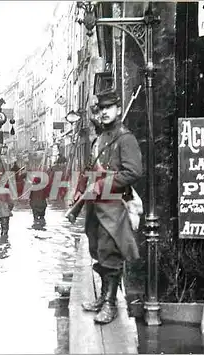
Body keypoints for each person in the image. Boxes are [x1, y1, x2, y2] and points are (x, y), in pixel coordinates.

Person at [75, 87, 143, 325]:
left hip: (114, 205)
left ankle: (110, 304)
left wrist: (105, 183)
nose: (104, 112)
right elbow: (91, 169)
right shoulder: (100, 139)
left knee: (110, 253)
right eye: (100, 108)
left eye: (108, 108)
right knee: (97, 249)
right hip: (96, 205)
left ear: (118, 109)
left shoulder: (125, 138)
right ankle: (103, 296)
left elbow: (133, 171)